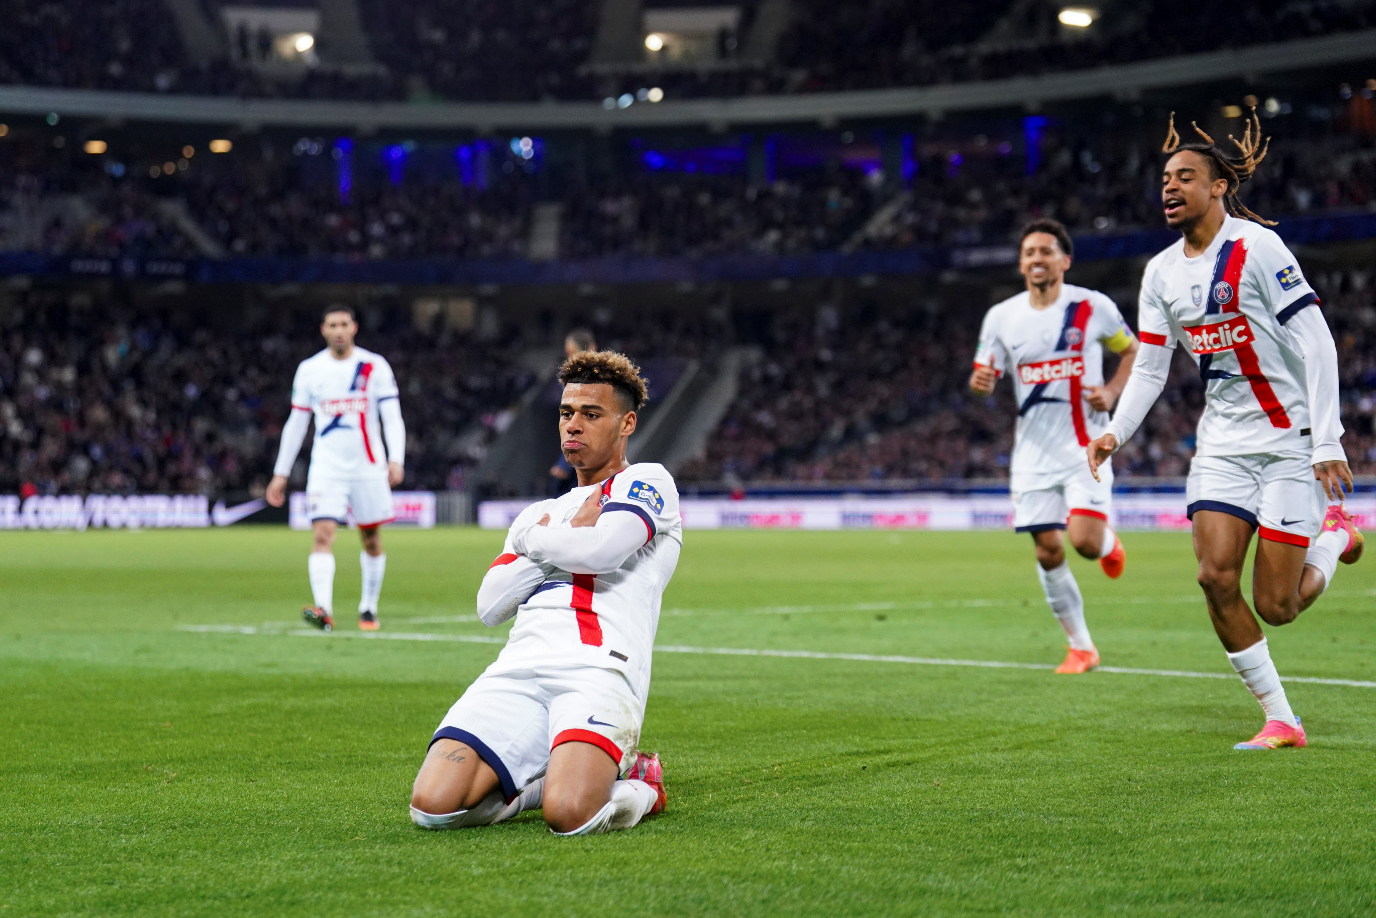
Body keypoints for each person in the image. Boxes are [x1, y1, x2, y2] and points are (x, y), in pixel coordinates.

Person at [1087, 111, 1364, 750]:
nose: (1170, 187)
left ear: (1218, 187)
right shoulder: (1159, 273)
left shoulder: (1258, 248)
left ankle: (1331, 540)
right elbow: (1152, 365)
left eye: (1186, 176)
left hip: (1289, 441)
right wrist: (1117, 432)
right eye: (1164, 178)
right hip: (1222, 447)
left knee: (1279, 605)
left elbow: (1317, 340)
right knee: (1214, 578)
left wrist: (1328, 441)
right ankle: (1282, 720)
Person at [410, 350, 679, 835]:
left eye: (591, 414)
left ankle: (641, 785)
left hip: (597, 669)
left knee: (571, 815)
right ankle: (547, 780)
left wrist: (535, 545)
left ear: (627, 423)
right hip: (517, 669)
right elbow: (490, 605)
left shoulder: (647, 481)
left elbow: (602, 553)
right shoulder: (539, 511)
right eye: (566, 413)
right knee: (433, 808)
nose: (573, 425)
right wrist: (562, 538)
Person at [970, 219, 1140, 674]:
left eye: (1046, 251)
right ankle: (1082, 647)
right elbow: (984, 376)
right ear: (1021, 264)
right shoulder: (1001, 317)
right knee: (1047, 549)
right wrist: (981, 382)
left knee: (1083, 542)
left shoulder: (1093, 306)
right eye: (1029, 252)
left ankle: (1107, 545)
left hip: (1086, 445)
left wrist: (1112, 391)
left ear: (1064, 261)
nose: (1036, 259)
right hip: (1032, 453)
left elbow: (1133, 351)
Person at [266, 306, 406, 632]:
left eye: (344, 324)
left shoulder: (375, 366)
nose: (339, 330)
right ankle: (324, 610)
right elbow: (297, 423)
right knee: (322, 535)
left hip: (368, 467)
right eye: (333, 325)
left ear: (354, 327)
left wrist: (395, 458)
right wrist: (280, 473)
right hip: (326, 467)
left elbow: (392, 417)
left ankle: (368, 608)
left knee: (371, 539)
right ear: (323, 330)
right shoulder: (310, 370)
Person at [548, 328, 598, 496]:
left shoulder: (584, 381)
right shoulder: (577, 379)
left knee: (562, 494)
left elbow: (582, 421)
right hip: (587, 450)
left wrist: (564, 463)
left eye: (570, 352)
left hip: (589, 450)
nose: (568, 358)